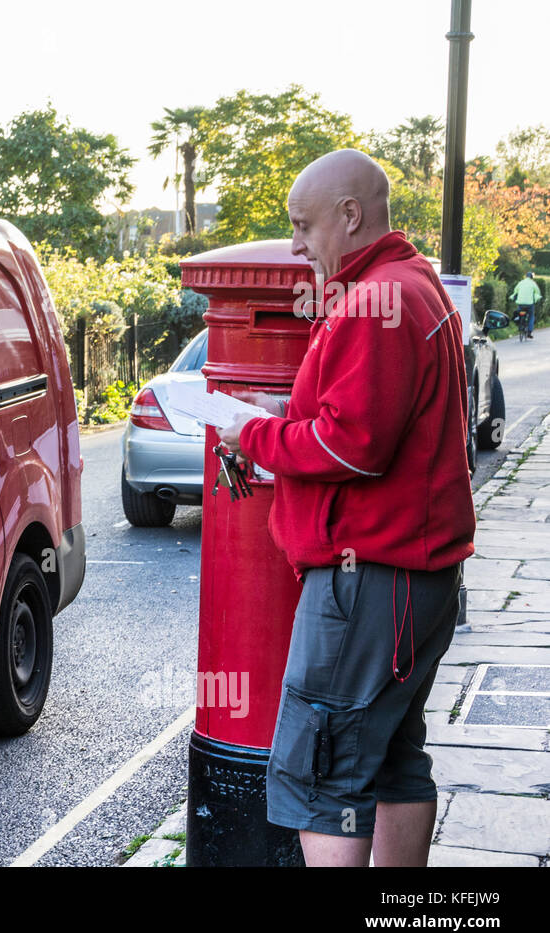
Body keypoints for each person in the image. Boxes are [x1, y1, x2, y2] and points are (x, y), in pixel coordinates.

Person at [218, 149, 475, 867]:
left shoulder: (372, 306)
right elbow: (357, 416)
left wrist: (254, 433)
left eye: (304, 225)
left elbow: (354, 447)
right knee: (393, 761)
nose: (297, 244)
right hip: (411, 583)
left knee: (322, 772)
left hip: (367, 585)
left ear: (350, 216)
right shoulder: (411, 285)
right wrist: (282, 409)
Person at [510, 270, 542, 338]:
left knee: (519, 313)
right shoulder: (533, 283)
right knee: (531, 316)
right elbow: (538, 292)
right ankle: (529, 332)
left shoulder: (521, 282)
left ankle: (520, 324)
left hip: (520, 303)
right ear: (531, 277)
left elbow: (515, 290)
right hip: (529, 304)